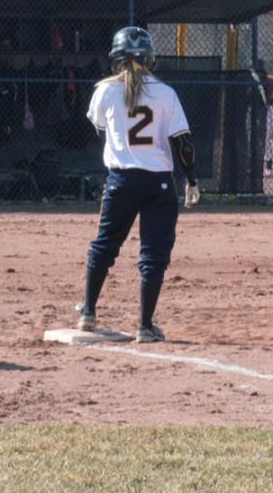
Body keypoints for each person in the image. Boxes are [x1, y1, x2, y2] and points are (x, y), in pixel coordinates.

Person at [78, 26, 200, 342]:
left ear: (116, 59)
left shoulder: (105, 90)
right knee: (154, 254)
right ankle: (145, 326)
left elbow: (100, 127)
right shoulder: (166, 93)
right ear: (152, 60)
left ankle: (88, 312)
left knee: (105, 244)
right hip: (158, 183)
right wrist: (191, 180)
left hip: (121, 179)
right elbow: (183, 143)